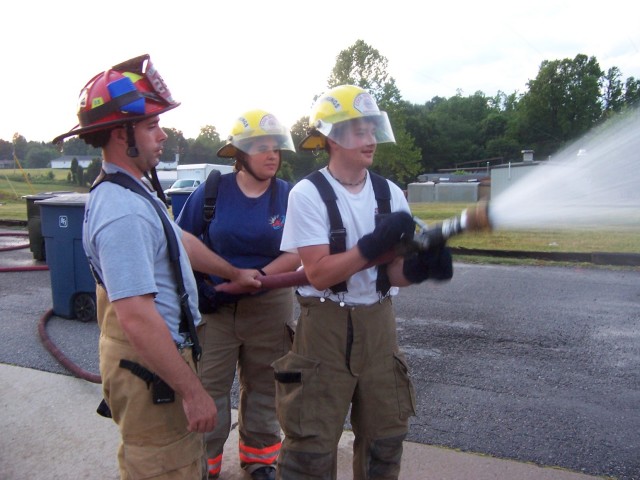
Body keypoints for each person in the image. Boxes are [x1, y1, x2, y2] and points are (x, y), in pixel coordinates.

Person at [52, 54, 262, 479]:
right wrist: (193, 392)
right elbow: (136, 316)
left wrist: (234, 273)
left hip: (158, 367)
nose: (163, 135)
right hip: (154, 376)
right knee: (164, 466)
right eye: (151, 126)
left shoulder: (135, 193)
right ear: (119, 135)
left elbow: (178, 241)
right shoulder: (123, 211)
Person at [273, 84, 453, 479]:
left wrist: (422, 270)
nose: (371, 139)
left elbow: (390, 276)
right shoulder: (308, 194)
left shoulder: (390, 195)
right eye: (360, 130)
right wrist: (371, 247)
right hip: (324, 328)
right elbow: (318, 273)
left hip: (379, 325)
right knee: (311, 446)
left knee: (385, 440)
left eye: (373, 129)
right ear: (332, 138)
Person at [176, 109, 300, 480]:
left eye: (276, 148)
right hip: (217, 305)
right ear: (240, 154)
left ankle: (260, 461)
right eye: (262, 147)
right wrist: (230, 277)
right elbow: (184, 241)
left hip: (270, 306)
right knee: (209, 386)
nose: (272, 155)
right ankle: (205, 465)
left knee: (265, 386)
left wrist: (260, 276)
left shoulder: (288, 195)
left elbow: (299, 249)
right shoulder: (212, 192)